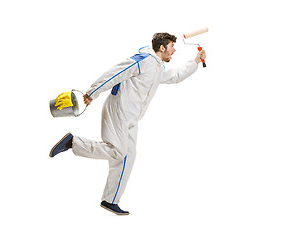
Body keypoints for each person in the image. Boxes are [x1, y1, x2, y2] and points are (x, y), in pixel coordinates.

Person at [49, 33, 206, 215]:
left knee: (127, 157)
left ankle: (110, 200)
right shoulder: (144, 60)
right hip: (119, 111)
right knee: (118, 151)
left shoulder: (157, 68)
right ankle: (73, 142)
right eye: (171, 46)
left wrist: (195, 61)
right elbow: (116, 72)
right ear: (162, 48)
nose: (174, 50)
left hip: (132, 117)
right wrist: (93, 92)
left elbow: (176, 76)